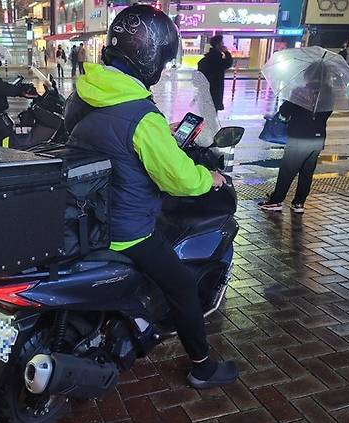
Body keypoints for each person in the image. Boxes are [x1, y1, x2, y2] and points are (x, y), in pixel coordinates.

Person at [64, 4, 238, 389]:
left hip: (85, 215)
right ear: (148, 56)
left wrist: (160, 136)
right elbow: (179, 180)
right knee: (182, 287)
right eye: (162, 58)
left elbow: (111, 143)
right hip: (127, 229)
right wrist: (207, 177)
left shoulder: (84, 94)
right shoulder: (142, 115)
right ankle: (203, 367)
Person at [259, 64, 333, 213]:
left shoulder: (300, 92)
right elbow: (326, 114)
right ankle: (299, 203)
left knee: (287, 170)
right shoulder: (329, 93)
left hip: (299, 138)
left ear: (309, 75)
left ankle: (276, 201)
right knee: (307, 173)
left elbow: (285, 112)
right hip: (318, 139)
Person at [197, 34, 233, 113]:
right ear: (218, 45)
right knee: (212, 115)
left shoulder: (204, 60)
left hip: (204, 92)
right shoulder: (218, 59)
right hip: (215, 91)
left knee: (205, 114)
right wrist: (227, 53)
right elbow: (228, 64)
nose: (223, 45)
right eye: (222, 43)